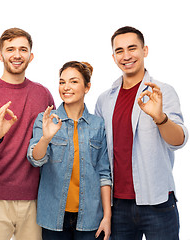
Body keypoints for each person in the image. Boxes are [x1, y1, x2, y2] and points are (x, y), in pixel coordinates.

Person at [95, 26, 188, 240]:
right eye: (119, 51)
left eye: (132, 48)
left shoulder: (162, 91)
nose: (126, 56)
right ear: (113, 56)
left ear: (145, 50)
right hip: (117, 206)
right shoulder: (104, 100)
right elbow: (101, 155)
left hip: (158, 202)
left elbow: (179, 141)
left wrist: (159, 117)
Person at [0, 27, 54, 240]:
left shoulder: (42, 94)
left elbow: (52, 141)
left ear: (31, 56)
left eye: (23, 49)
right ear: (1, 55)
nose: (17, 55)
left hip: (35, 199)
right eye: (10, 49)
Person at [28, 61, 112, 240]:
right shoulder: (46, 119)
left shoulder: (98, 125)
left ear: (87, 87)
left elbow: (104, 174)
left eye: (73, 82)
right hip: (54, 217)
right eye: (62, 82)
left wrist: (107, 216)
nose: (66, 87)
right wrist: (46, 137)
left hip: (90, 217)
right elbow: (36, 159)